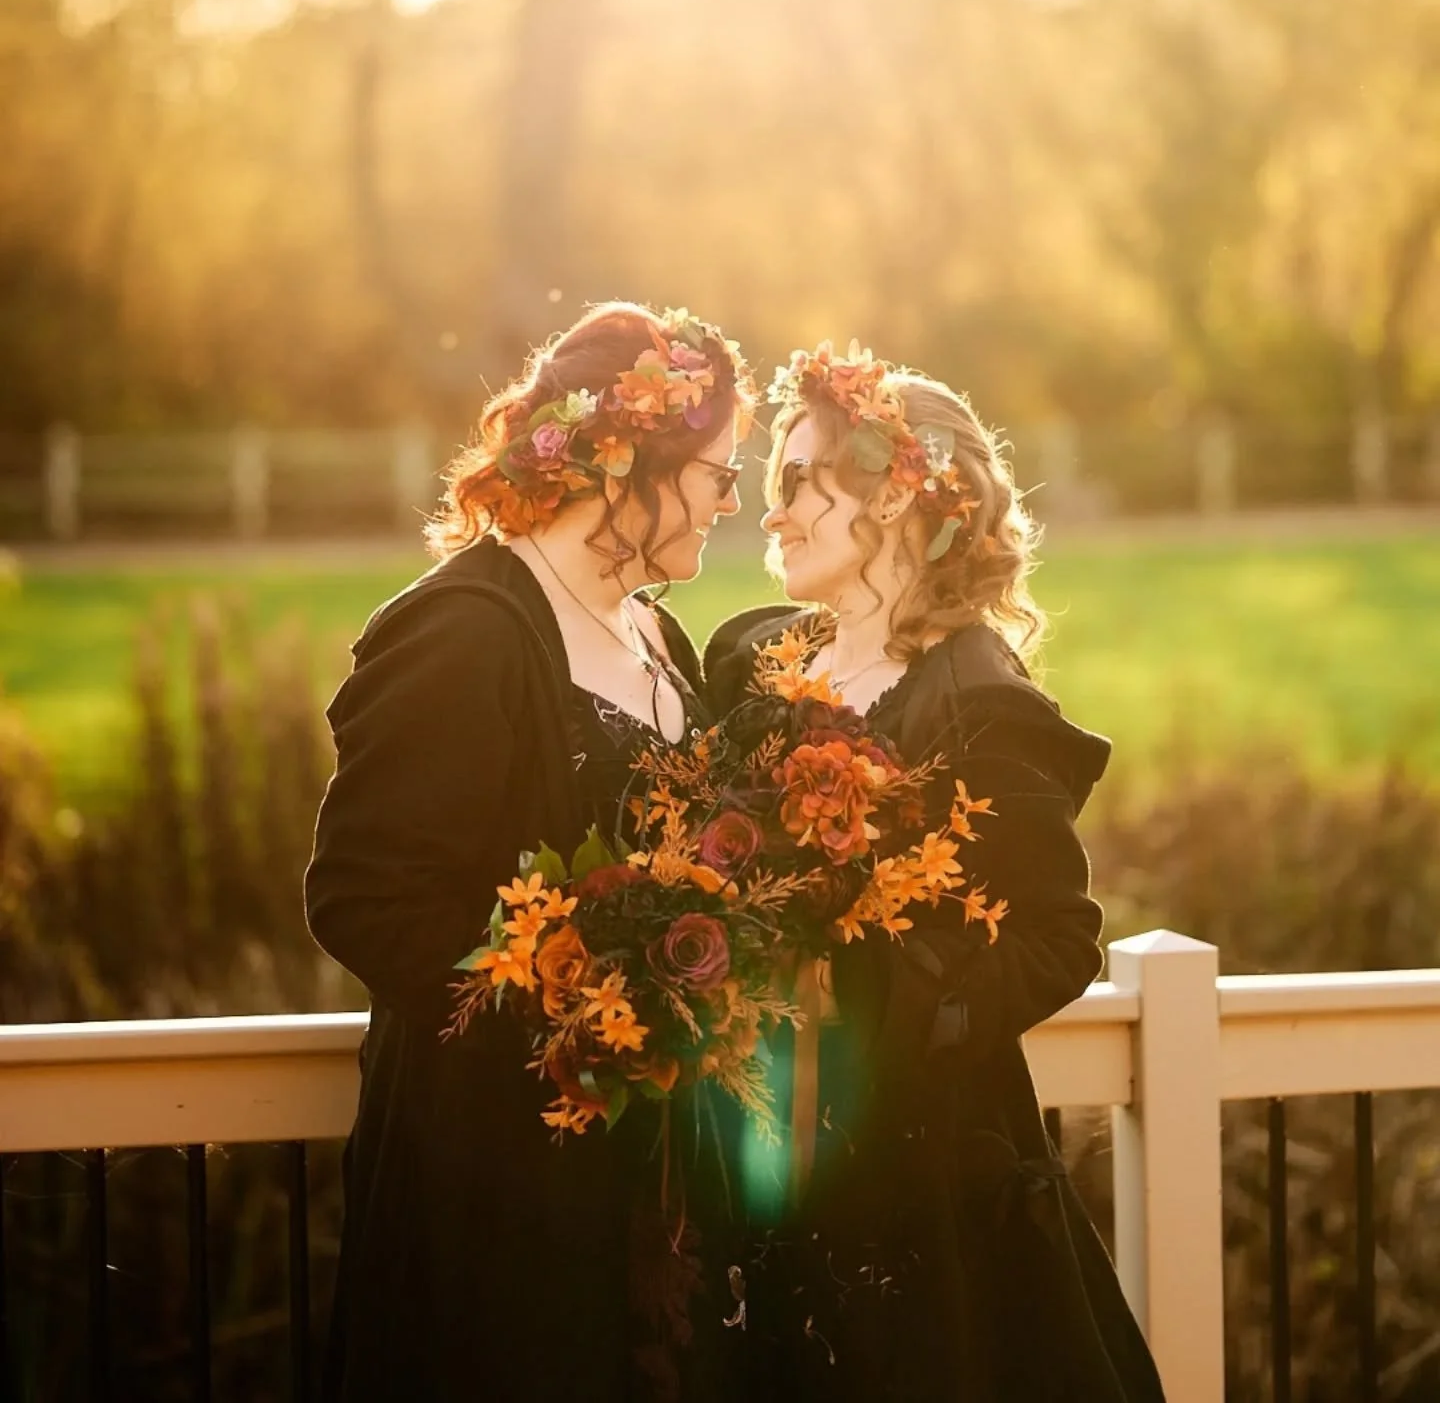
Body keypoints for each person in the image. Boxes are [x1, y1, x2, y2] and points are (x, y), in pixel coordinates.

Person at [305, 302, 755, 1403]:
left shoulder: (655, 632)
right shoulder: (464, 629)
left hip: (651, 1175)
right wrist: (583, 1008)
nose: (729, 505)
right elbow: (367, 898)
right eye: (714, 475)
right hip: (496, 1182)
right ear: (629, 465)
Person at [705, 344, 1166, 1403]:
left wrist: (872, 996)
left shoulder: (979, 708)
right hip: (739, 1161)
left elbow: (1056, 940)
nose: (770, 516)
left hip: (914, 1191)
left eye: (797, 484)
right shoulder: (750, 660)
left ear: (899, 495)